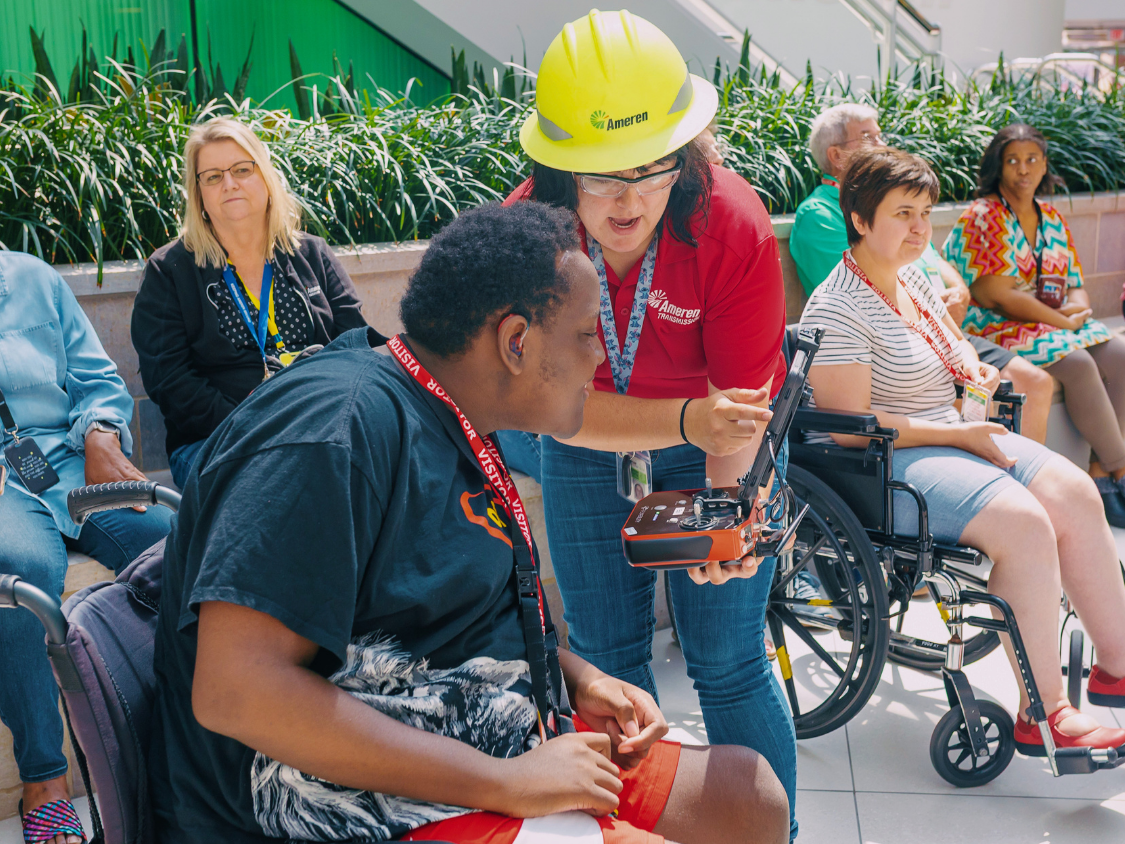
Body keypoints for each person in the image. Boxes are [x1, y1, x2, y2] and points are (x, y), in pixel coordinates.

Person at [147, 202, 790, 844]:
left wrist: (577, 677)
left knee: (746, 795)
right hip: (315, 799)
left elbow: (443, 619)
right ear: (516, 342)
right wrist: (505, 785)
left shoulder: (448, 410)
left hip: (469, 728)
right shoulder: (331, 433)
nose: (600, 357)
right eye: (585, 333)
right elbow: (237, 690)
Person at [508, 11, 801, 838]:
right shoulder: (529, 230)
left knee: (730, 662)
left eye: (651, 169)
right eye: (599, 176)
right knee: (606, 664)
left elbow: (739, 413)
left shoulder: (730, 223)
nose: (629, 198)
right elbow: (557, 411)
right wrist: (680, 416)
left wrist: (725, 518)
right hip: (591, 441)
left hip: (718, 436)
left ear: (685, 152)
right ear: (558, 168)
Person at [800, 146, 1125, 761]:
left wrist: (975, 373)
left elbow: (954, 347)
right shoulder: (838, 304)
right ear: (861, 220)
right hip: (891, 458)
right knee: (1026, 525)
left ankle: (1117, 667)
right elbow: (849, 428)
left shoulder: (913, 280)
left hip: (951, 431)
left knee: (1076, 492)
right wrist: (959, 434)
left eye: (925, 212)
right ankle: (1046, 712)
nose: (921, 228)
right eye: (904, 214)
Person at [0, 251, 172, 844]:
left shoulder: (34, 278)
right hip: (1, 484)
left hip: (65, 459)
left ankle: (194, 732)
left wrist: (100, 432)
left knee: (173, 540)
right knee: (19, 568)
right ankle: (45, 780)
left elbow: (96, 378)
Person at [789, 103, 1053, 442]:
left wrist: (958, 290)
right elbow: (865, 285)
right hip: (899, 346)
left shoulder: (908, 259)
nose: (881, 143)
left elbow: (930, 257)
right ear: (837, 156)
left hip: (932, 327)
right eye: (868, 136)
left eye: (925, 213)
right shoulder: (821, 214)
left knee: (1034, 392)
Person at [131, 116, 367, 489]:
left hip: (321, 422)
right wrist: (257, 422)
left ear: (266, 179)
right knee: (296, 483)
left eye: (242, 169)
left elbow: (357, 345)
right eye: (212, 176)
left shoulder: (311, 252)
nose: (229, 183)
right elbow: (171, 383)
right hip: (218, 440)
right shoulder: (170, 270)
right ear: (200, 195)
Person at [943, 122, 1125, 526]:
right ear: (998, 167)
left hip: (1049, 322)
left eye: (1031, 160)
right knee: (1078, 365)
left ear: (1044, 166)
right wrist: (1063, 320)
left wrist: (1075, 312)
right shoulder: (984, 215)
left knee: (1119, 354)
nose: (1023, 169)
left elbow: (1075, 285)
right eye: (1012, 161)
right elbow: (996, 293)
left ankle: (1099, 470)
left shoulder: (1052, 217)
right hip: (992, 324)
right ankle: (1121, 469)